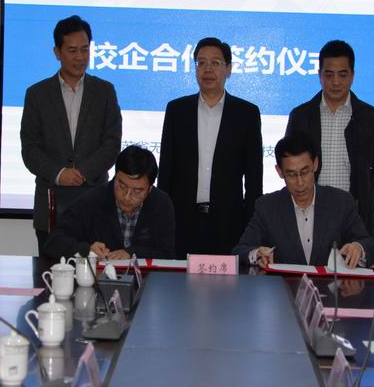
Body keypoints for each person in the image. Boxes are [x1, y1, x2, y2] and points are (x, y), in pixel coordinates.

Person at [21, 15, 122, 255]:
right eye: (72, 50)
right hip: (51, 203)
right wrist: (59, 173)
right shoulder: (37, 94)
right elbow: (30, 149)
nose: (80, 57)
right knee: (50, 272)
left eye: (85, 49)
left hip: (95, 202)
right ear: (57, 52)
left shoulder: (105, 91)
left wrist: (82, 171)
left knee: (96, 272)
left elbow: (112, 143)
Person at [158, 37, 263, 258]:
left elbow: (254, 177)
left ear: (229, 69)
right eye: (201, 63)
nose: (207, 69)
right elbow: (166, 169)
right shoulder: (177, 110)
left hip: (228, 224)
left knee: (226, 280)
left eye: (215, 63)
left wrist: (250, 224)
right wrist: (163, 218)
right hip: (182, 222)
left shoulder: (247, 114)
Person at [286, 40, 374, 241]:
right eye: (328, 74)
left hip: (354, 218)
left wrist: (363, 197)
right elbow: (289, 164)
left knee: (354, 261)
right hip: (309, 216)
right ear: (319, 75)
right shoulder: (300, 116)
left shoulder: (370, 117)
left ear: (352, 75)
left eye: (342, 75)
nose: (335, 82)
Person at [232, 133, 374, 269]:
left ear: (315, 164)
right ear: (279, 171)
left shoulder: (340, 202)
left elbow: (371, 246)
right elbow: (240, 251)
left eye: (305, 172)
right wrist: (257, 253)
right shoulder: (267, 206)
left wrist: (358, 248)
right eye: (291, 174)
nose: (300, 182)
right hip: (283, 288)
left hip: (330, 288)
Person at [45, 145, 175, 260]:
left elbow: (167, 254)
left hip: (147, 279)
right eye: (122, 186)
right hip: (99, 278)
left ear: (149, 189)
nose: (127, 197)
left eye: (136, 191)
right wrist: (86, 250)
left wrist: (132, 253)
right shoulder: (93, 200)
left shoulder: (161, 203)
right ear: (115, 177)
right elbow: (53, 243)